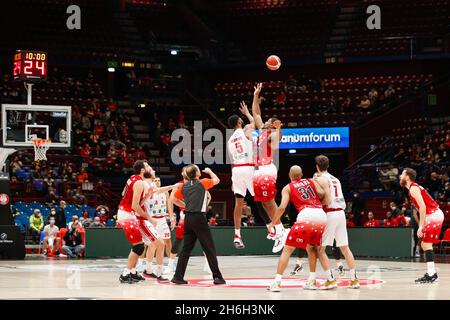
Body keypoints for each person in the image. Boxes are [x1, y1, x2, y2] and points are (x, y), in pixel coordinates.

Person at [267, 165, 334, 292]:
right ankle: (312, 281)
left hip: (306, 215)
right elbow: (321, 193)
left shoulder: (288, 187)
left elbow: (281, 207)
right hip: (321, 215)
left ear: (289, 175)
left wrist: (273, 223)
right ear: (301, 174)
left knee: (287, 249)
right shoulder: (311, 181)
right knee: (312, 248)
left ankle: (276, 283)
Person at [116, 160, 173, 284]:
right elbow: (135, 205)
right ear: (142, 170)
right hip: (127, 214)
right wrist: (149, 218)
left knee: (142, 246)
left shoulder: (133, 178)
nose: (150, 168)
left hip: (127, 213)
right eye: (148, 166)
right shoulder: (140, 182)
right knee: (139, 246)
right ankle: (126, 274)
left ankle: (132, 272)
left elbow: (127, 196)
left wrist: (147, 196)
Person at [171, 165, 226, 285]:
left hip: (188, 219)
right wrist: (210, 172)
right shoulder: (203, 182)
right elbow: (217, 180)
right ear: (196, 173)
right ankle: (217, 277)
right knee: (209, 248)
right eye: (197, 168)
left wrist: (186, 206)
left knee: (186, 249)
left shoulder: (183, 186)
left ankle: (177, 276)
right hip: (199, 219)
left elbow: (174, 200)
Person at [314, 155, 360, 289]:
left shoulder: (321, 179)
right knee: (345, 248)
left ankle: (330, 280)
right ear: (328, 166)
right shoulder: (336, 179)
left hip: (330, 213)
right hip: (341, 213)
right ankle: (354, 280)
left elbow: (327, 200)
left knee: (320, 249)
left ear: (317, 166)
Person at [251, 83, 285, 253]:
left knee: (269, 202)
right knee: (264, 204)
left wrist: (279, 130)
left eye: (267, 122)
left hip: (267, 169)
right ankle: (277, 230)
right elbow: (256, 112)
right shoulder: (261, 130)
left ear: (271, 125)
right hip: (258, 170)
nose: (263, 121)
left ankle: (280, 230)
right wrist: (256, 95)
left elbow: (279, 138)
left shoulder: (271, 135)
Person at [400, 168, 444, 283]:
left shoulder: (413, 188)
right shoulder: (413, 188)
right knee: (425, 244)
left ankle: (432, 274)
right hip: (432, 215)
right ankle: (431, 273)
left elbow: (423, 207)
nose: (400, 176)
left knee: (425, 243)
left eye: (402, 174)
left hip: (434, 214)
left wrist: (420, 226)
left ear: (407, 177)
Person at [141, 176, 176, 282]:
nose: (157, 181)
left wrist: (171, 216)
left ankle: (168, 266)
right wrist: (173, 186)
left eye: (158, 180)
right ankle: (147, 268)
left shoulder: (165, 192)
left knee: (166, 242)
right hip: (152, 220)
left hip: (162, 219)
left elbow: (169, 204)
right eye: (155, 180)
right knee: (152, 246)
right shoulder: (148, 191)